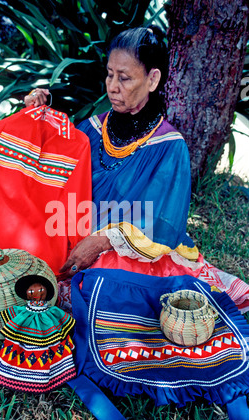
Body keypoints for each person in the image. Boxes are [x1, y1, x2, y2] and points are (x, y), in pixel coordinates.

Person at [24, 26, 248, 313]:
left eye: (125, 78)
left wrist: (102, 240)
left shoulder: (168, 146)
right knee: (27, 262)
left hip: (133, 249)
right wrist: (36, 116)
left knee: (107, 288)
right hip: (75, 232)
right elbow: (52, 166)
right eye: (109, 74)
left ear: (152, 79)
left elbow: (162, 225)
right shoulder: (92, 129)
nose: (112, 86)